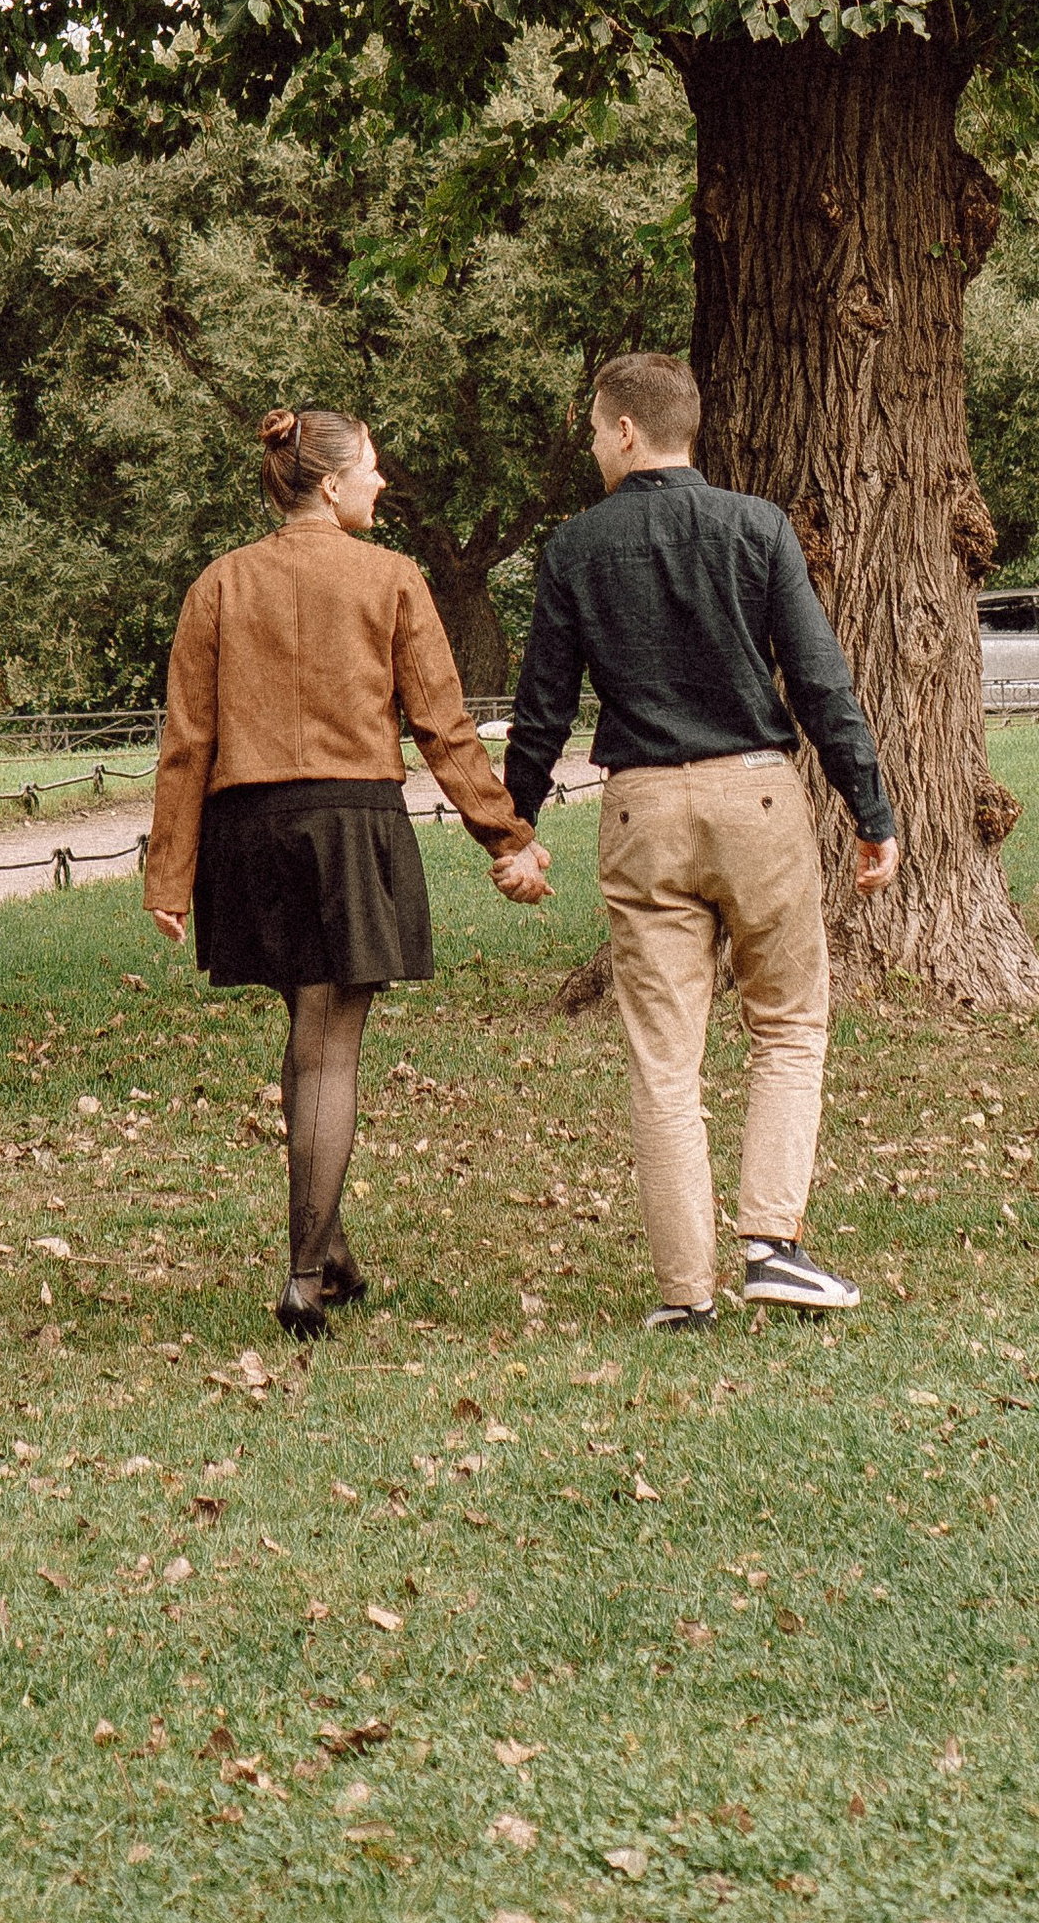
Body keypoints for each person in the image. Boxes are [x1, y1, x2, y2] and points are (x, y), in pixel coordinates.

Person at [493, 351, 900, 1329]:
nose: (591, 446)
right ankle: (773, 1246)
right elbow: (817, 681)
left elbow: (542, 709)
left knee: (663, 1057)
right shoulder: (755, 527)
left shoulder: (574, 549)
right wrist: (870, 812)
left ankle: (685, 1294)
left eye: (595, 429)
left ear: (628, 430)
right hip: (757, 802)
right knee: (790, 1027)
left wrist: (514, 833)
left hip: (640, 813)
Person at [145, 404, 543, 1336]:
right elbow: (443, 726)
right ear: (329, 482)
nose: (381, 482)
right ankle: (301, 1278)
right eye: (370, 466)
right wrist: (506, 836)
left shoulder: (218, 584)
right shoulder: (392, 578)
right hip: (347, 823)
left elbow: (185, 742)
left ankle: (332, 1249)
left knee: (308, 1027)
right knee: (330, 1045)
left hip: (249, 831)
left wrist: (171, 875)